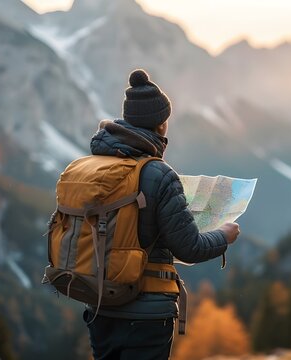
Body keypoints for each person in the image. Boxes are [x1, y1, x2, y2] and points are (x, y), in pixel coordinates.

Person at [83, 69, 240, 359]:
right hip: (146, 312)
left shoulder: (96, 166)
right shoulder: (159, 174)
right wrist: (224, 236)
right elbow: (189, 247)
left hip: (100, 305)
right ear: (162, 125)